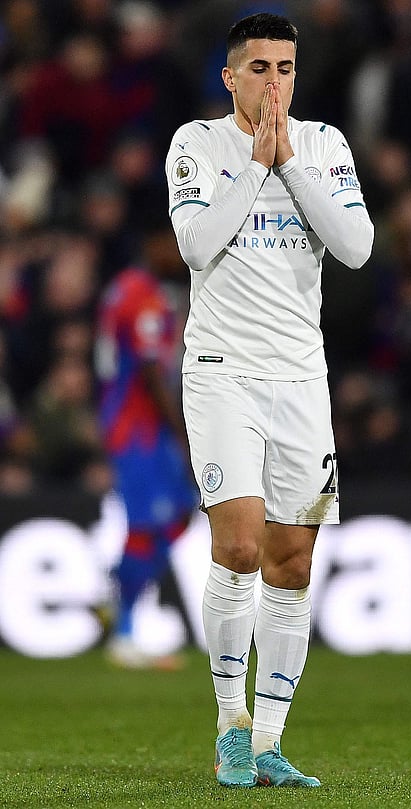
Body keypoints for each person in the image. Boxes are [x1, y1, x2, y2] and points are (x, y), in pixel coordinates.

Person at [166, 12, 373, 787]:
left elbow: (356, 247)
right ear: (230, 77)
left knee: (293, 558)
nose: (274, 82)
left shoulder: (323, 144)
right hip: (222, 371)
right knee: (240, 545)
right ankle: (231, 723)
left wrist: (290, 164)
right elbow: (195, 245)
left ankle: (270, 741)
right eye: (259, 68)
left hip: (302, 380)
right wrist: (257, 165)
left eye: (285, 68)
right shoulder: (196, 143)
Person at [95, 225, 196, 671]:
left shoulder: (125, 287)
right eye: (174, 242)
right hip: (138, 427)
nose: (181, 251)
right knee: (145, 523)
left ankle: (117, 588)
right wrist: (181, 431)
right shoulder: (145, 296)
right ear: (154, 243)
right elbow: (151, 371)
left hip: (135, 422)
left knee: (181, 510)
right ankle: (123, 633)